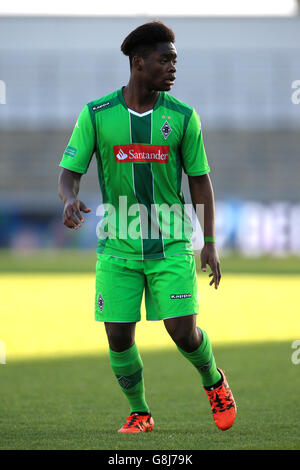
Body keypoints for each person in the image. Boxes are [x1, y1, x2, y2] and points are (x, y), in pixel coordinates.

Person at [58, 20, 236, 433]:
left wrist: (208, 241)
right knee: (118, 337)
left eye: (176, 61)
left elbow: (199, 181)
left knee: (182, 332)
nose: (173, 68)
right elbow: (69, 172)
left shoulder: (184, 118)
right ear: (138, 63)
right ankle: (140, 412)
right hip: (116, 246)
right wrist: (69, 198)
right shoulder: (97, 115)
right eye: (165, 60)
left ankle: (214, 380)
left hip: (170, 243)